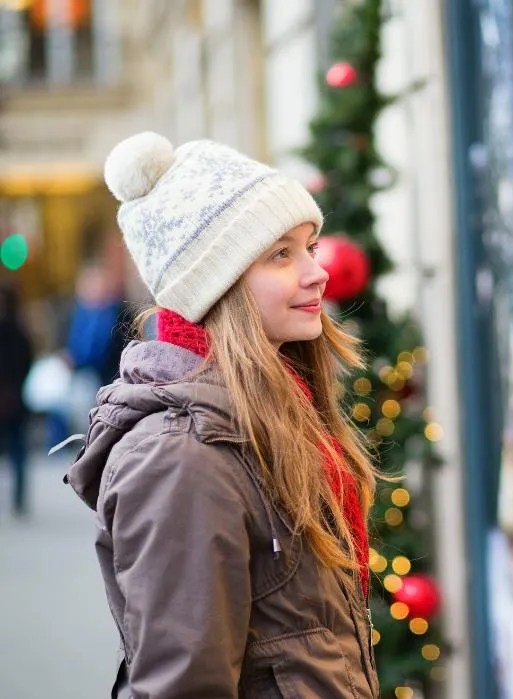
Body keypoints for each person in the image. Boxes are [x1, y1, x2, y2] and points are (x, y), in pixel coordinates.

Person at [65, 132, 380, 697]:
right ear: (218, 285)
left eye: (310, 245)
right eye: (281, 254)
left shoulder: (283, 411)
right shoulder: (181, 457)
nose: (317, 271)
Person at [0, 282, 33, 518]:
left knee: (18, 450)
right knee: (18, 450)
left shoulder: (16, 332)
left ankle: (19, 498)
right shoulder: (21, 331)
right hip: (16, 397)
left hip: (13, 397)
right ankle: (19, 499)